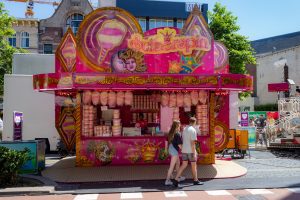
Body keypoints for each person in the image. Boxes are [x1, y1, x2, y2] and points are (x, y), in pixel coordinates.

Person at [173, 117, 203, 187]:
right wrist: (194, 152)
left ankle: (176, 179)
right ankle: (195, 180)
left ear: (189, 122)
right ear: (194, 122)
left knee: (183, 165)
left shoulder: (184, 129)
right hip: (190, 151)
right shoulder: (193, 130)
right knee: (193, 166)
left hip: (184, 150)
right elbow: (193, 143)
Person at [164, 120, 185, 186]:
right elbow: (179, 145)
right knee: (172, 166)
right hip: (174, 151)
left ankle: (178, 176)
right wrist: (184, 150)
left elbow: (166, 142)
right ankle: (167, 180)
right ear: (177, 125)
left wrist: (166, 149)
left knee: (178, 163)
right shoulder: (177, 134)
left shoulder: (170, 132)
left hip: (171, 149)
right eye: (179, 125)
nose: (180, 126)